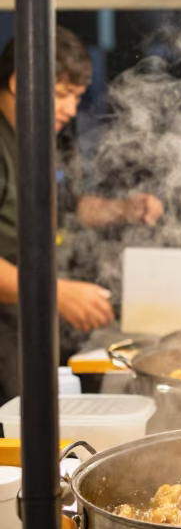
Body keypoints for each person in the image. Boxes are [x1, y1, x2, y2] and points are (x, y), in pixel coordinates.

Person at [0, 28, 164, 400]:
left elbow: (69, 206)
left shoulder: (37, 137)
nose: (71, 110)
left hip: (28, 315)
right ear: (16, 83)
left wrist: (126, 209)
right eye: (60, 96)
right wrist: (53, 293)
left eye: (75, 97)